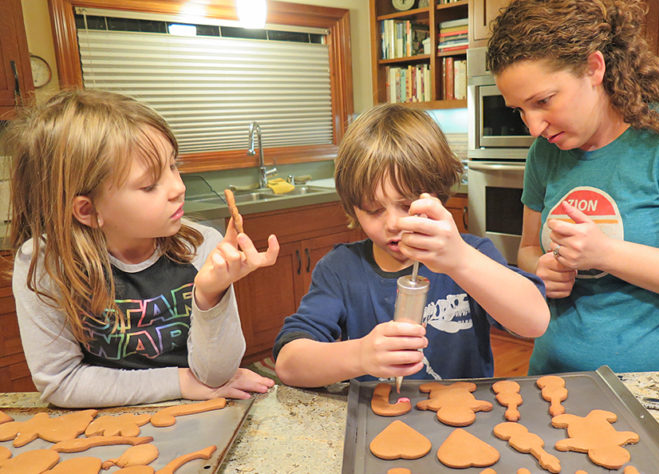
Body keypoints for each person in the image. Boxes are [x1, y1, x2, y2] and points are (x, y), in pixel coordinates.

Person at [486, 0, 659, 374]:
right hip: (554, 378)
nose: (534, 127)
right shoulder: (544, 153)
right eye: (519, 110)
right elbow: (529, 250)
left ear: (594, 68)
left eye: (544, 101)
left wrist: (605, 253)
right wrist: (541, 270)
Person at [5, 89, 280, 408]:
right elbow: (61, 382)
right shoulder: (44, 263)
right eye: (149, 185)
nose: (179, 188)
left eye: (173, 166)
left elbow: (217, 376)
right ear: (88, 210)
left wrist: (210, 296)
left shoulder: (201, 246)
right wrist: (182, 382)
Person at [273, 103, 549, 387]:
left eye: (407, 205)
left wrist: (460, 260)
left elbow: (535, 321)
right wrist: (360, 355)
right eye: (373, 210)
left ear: (437, 195)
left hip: (463, 412)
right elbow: (288, 364)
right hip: (377, 413)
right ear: (353, 208)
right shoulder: (339, 270)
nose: (393, 223)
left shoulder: (472, 255)